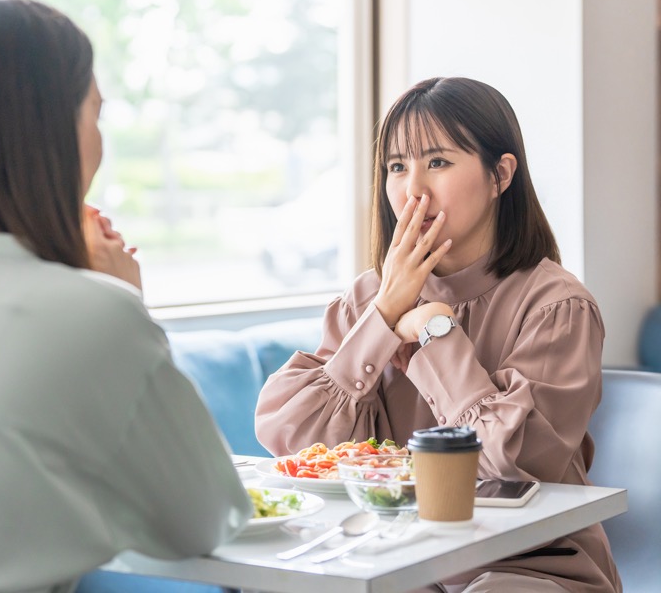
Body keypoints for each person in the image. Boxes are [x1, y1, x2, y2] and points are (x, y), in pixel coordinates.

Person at [0, 0, 252, 593]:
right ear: (49, 135)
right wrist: (121, 300)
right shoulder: (92, 318)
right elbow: (207, 521)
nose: (99, 140)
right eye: (94, 113)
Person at [255, 77, 621, 592]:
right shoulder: (366, 300)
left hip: (528, 566)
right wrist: (382, 317)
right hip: (397, 560)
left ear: (500, 174)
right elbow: (295, 443)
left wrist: (434, 329)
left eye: (438, 163)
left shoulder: (558, 307)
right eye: (397, 167)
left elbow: (506, 463)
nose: (413, 190)